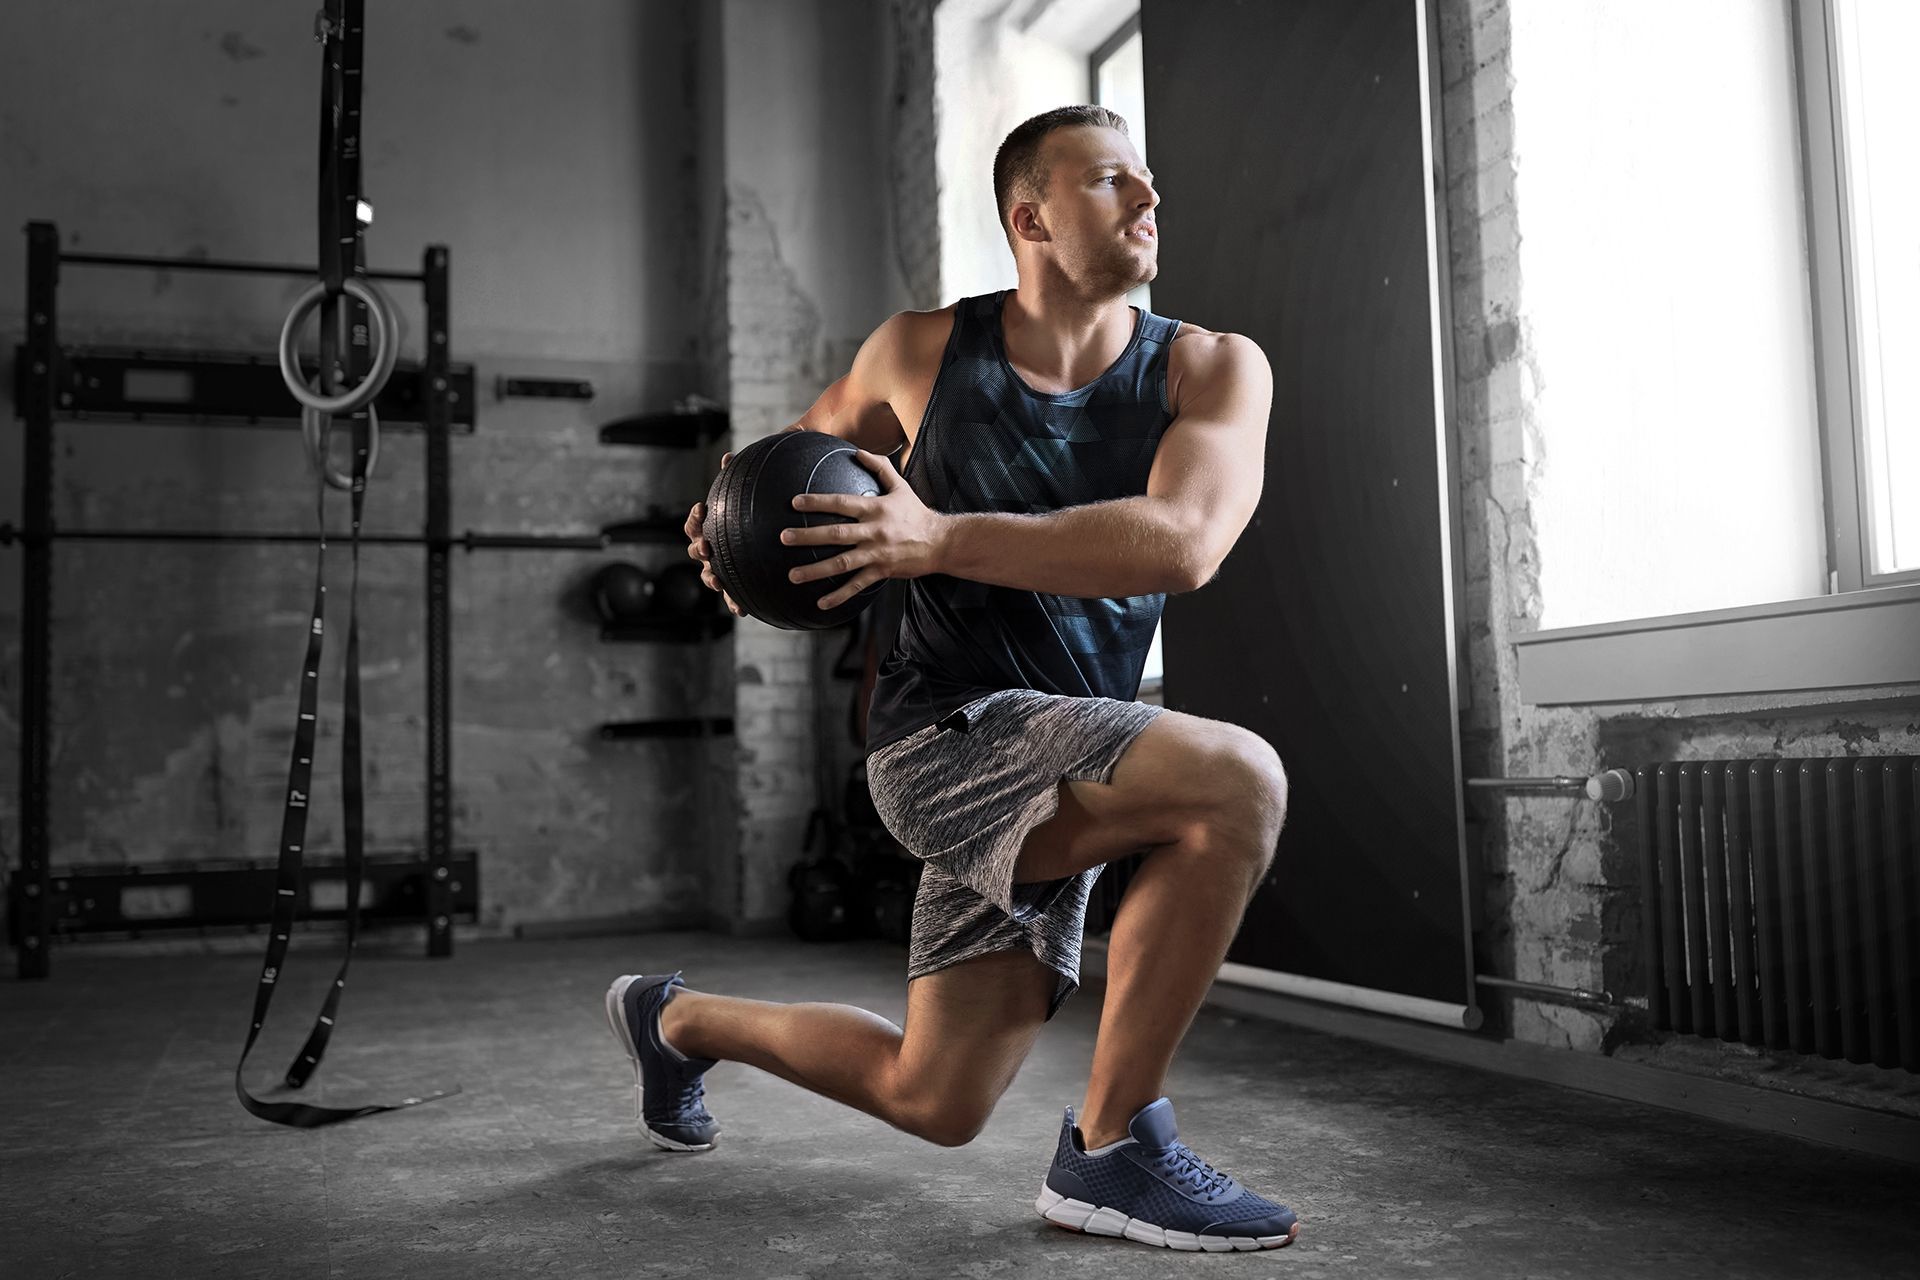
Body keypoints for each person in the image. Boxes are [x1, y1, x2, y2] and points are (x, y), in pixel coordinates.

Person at [604, 105, 1298, 1252]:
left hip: (1076, 748)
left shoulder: (1210, 368)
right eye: (1113, 182)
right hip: (943, 743)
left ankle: (673, 1017)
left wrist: (935, 538)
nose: (1149, 202)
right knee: (1239, 782)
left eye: (1151, 183)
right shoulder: (920, 355)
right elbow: (785, 485)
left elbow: (1185, 540)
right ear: (1030, 216)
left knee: (938, 1095)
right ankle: (1116, 1149)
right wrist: (728, 543)